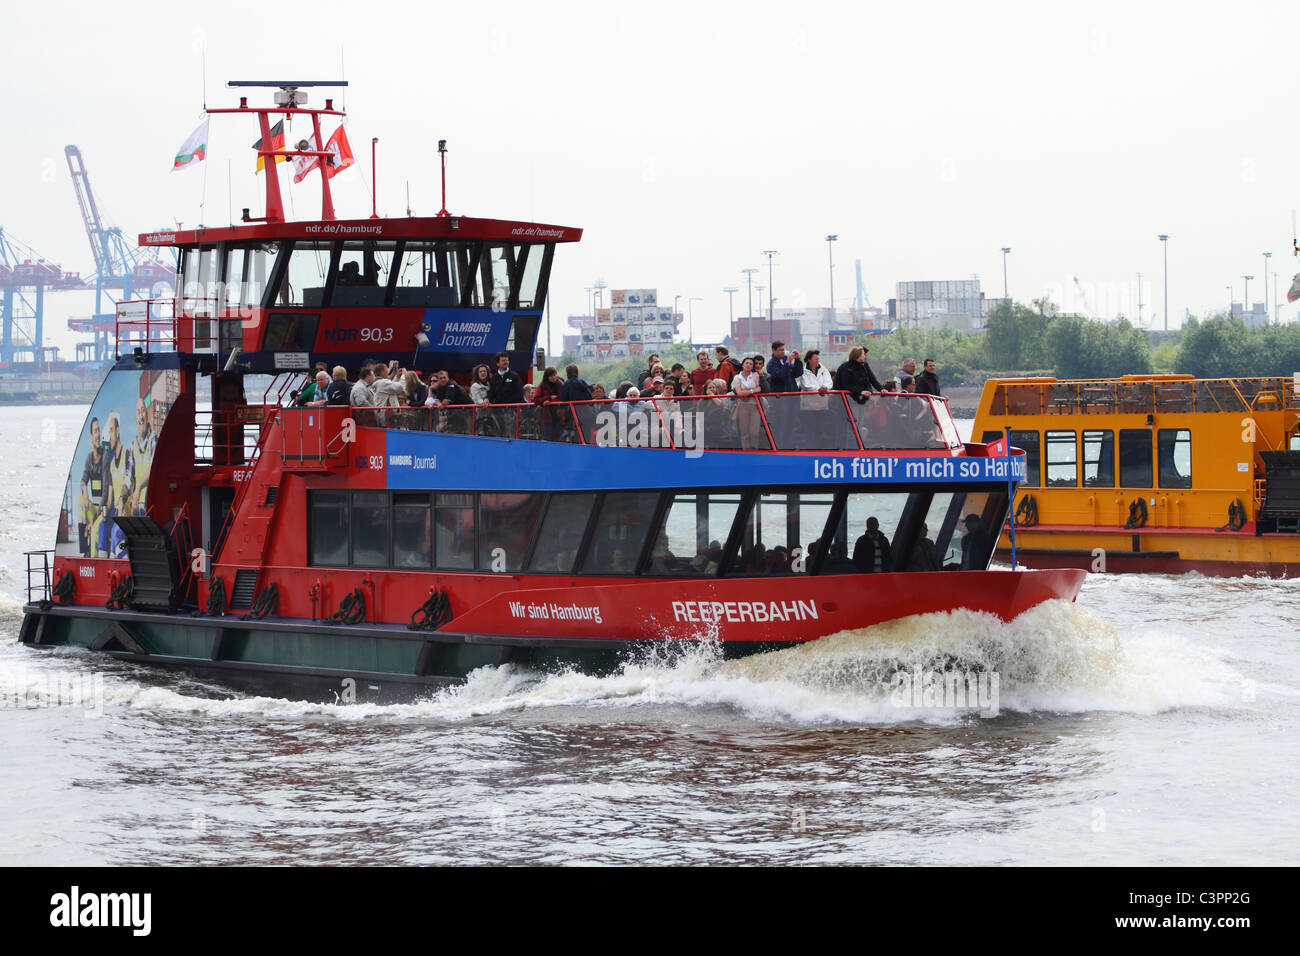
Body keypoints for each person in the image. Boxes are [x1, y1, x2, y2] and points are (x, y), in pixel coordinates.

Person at [79, 416, 109, 555]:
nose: (97, 435)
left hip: (103, 509)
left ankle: (94, 555)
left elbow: (105, 494)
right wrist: (84, 490)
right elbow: (83, 479)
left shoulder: (105, 457)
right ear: (91, 436)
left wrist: (94, 519)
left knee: (97, 529)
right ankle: (84, 547)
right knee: (80, 500)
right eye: (95, 431)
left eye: (99, 431)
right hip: (94, 508)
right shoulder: (89, 458)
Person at [731, 356, 764, 449]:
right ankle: (746, 452)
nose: (749, 365)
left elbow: (761, 389)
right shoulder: (737, 377)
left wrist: (745, 392)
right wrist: (753, 391)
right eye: (747, 363)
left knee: (754, 432)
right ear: (742, 365)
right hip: (742, 405)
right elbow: (739, 393)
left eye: (751, 364)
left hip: (755, 405)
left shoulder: (755, 376)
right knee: (744, 432)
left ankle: (755, 450)